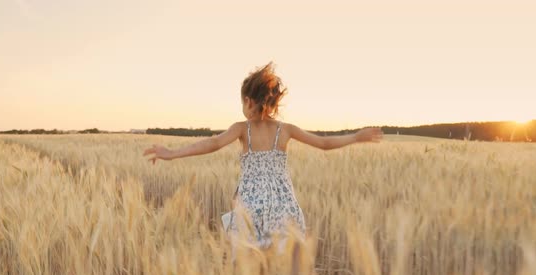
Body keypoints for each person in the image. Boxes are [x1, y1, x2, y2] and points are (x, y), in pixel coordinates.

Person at [143, 62, 383, 252]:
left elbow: (212, 144)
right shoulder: (285, 130)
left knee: (250, 272)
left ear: (248, 101)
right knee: (286, 272)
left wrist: (172, 154)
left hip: (251, 205)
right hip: (284, 206)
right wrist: (356, 137)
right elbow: (324, 143)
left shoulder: (241, 128)